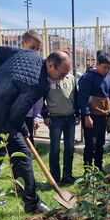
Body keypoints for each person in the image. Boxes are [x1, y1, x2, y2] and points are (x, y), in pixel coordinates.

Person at [0, 50, 72, 214]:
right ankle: (32, 204)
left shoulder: (29, 54)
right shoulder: (38, 84)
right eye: (62, 74)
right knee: (23, 156)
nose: (62, 78)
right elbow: (16, 116)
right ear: (50, 65)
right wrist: (26, 133)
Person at [42, 51, 79, 185]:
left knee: (70, 148)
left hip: (70, 118)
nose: (64, 76)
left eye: (66, 73)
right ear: (53, 67)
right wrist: (45, 115)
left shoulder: (71, 79)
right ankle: (55, 177)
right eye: (62, 73)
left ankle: (67, 175)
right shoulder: (46, 79)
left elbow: (76, 97)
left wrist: (77, 114)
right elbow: (40, 99)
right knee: (55, 148)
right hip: (55, 119)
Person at [78, 52, 110, 173]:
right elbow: (82, 98)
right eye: (104, 67)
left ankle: (98, 166)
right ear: (97, 64)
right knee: (90, 144)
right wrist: (86, 116)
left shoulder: (108, 78)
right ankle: (88, 170)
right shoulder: (87, 77)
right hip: (91, 117)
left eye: (109, 68)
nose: (106, 70)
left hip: (103, 116)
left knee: (100, 143)